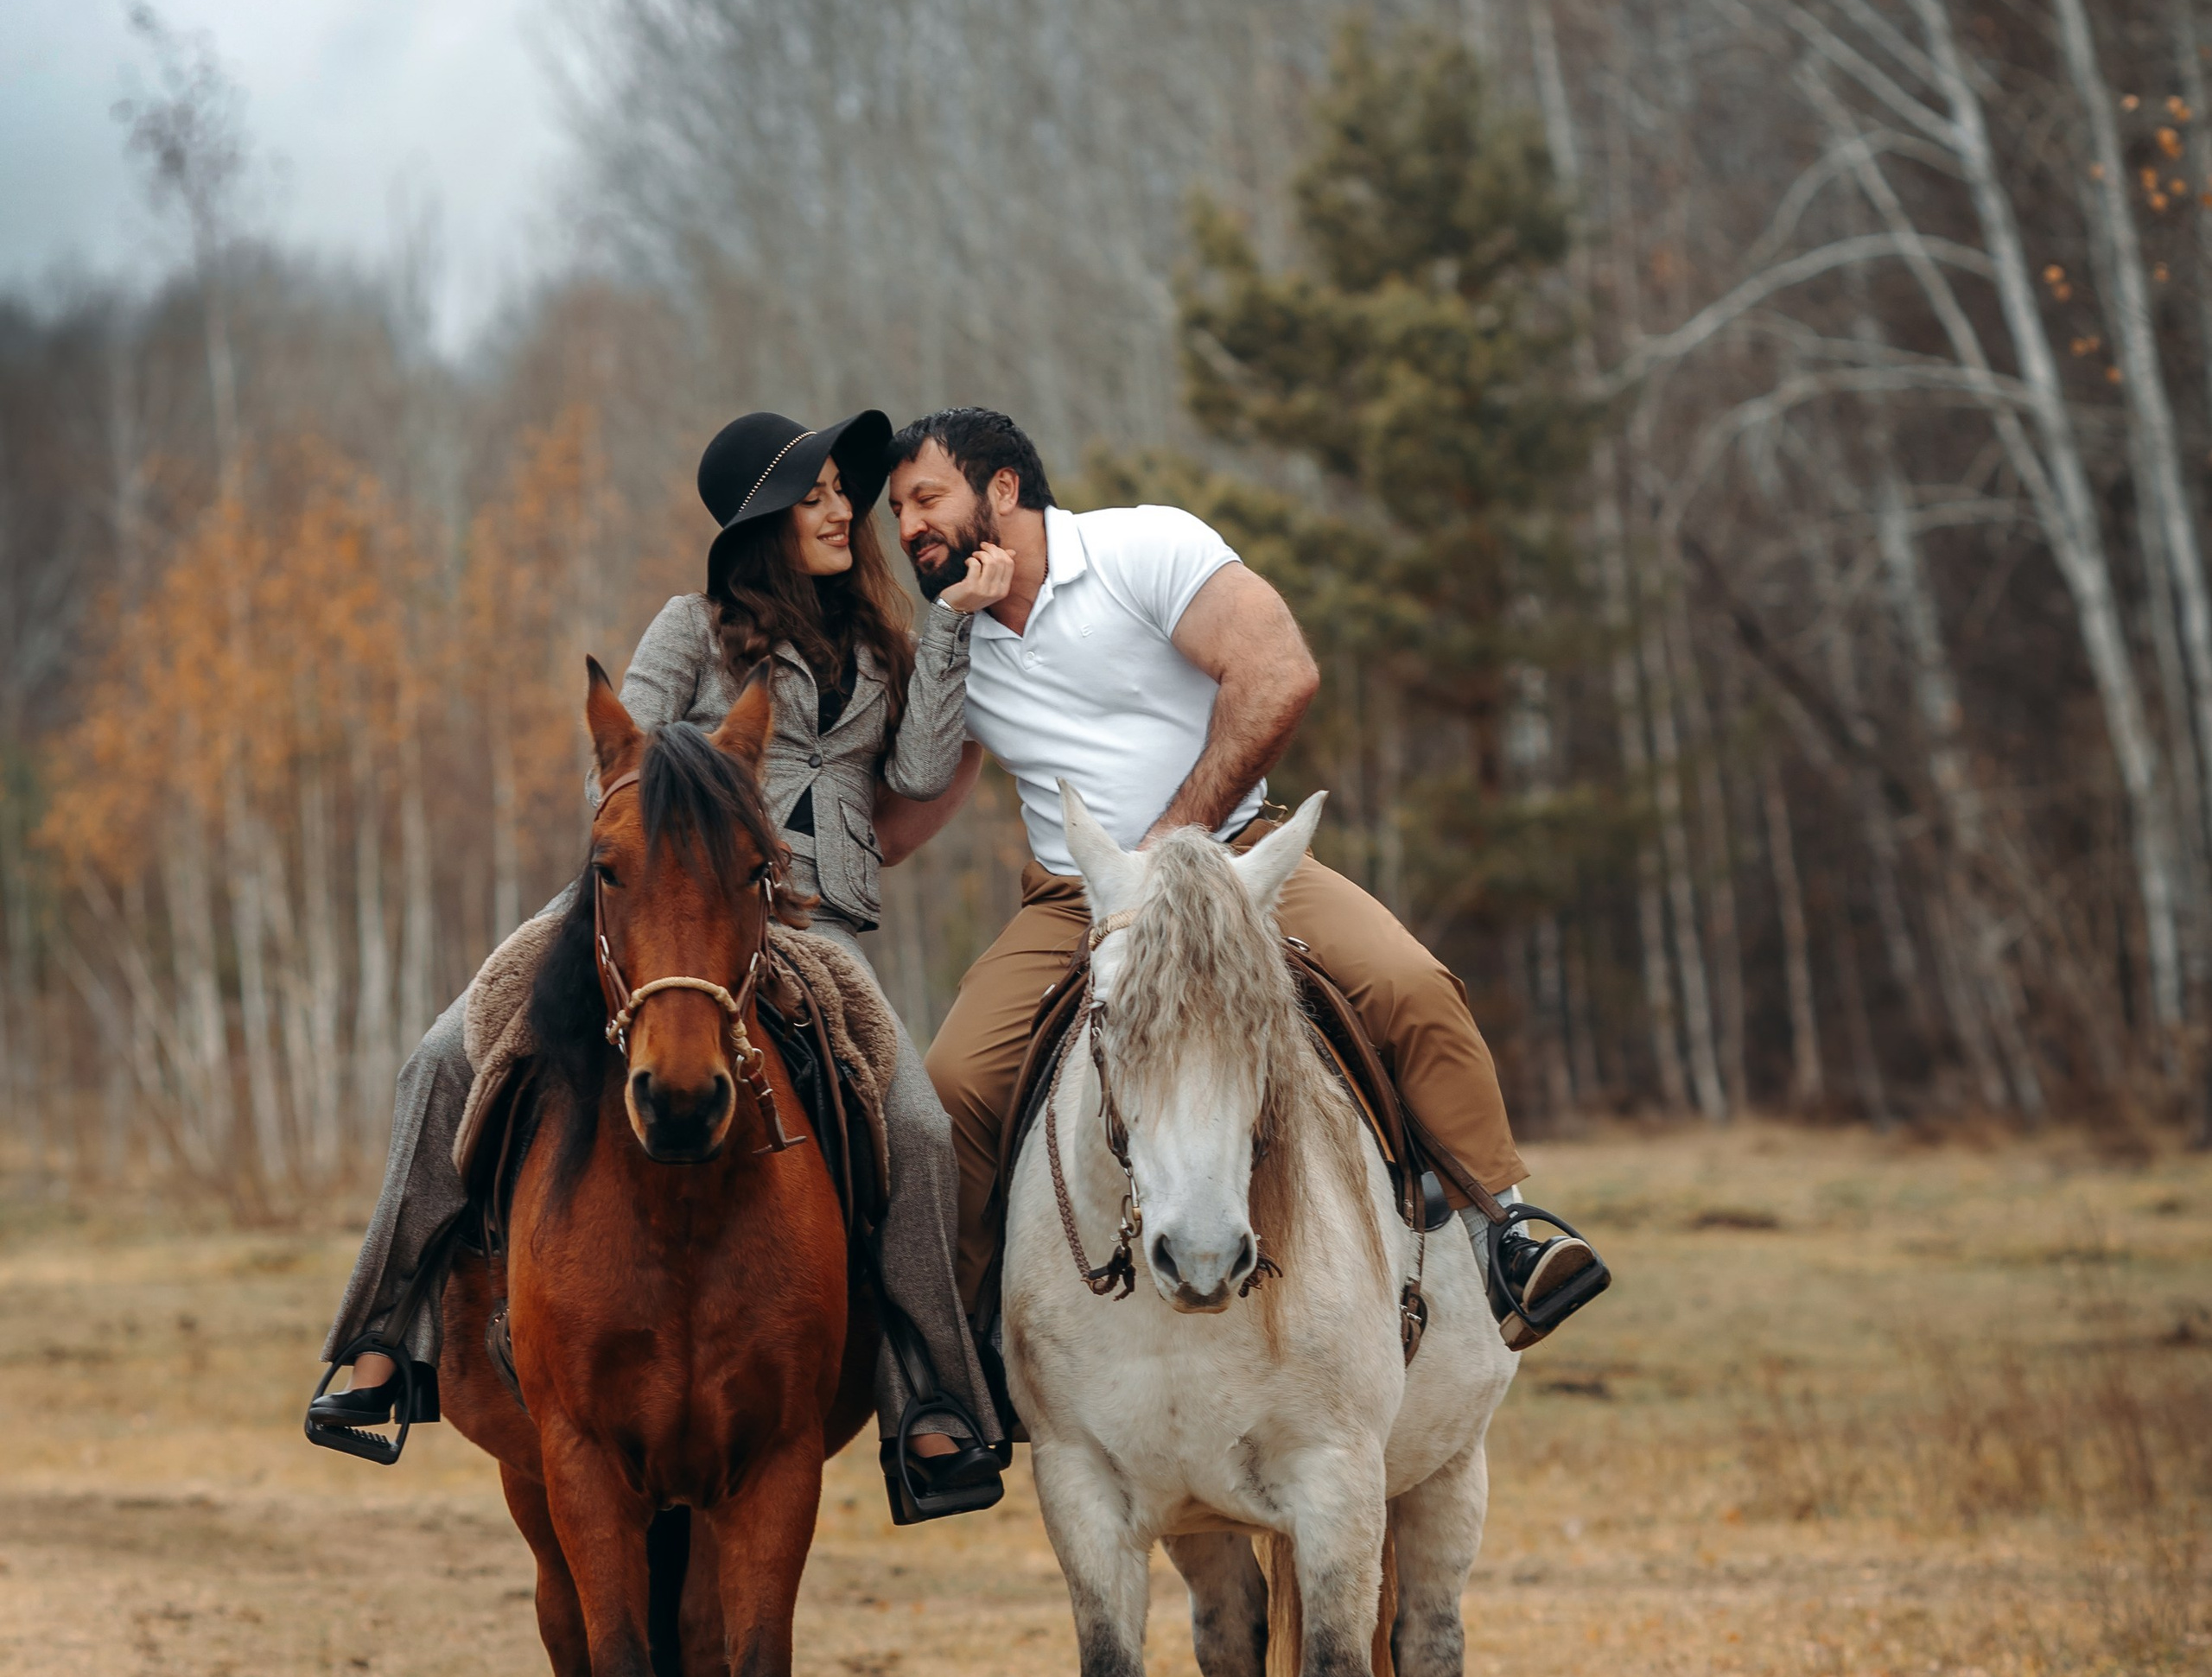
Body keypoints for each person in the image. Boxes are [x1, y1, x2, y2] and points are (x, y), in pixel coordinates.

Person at [306, 406, 1005, 1519]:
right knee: (441, 1056)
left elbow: (919, 773)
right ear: (762, 521)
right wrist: (713, 793)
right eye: (815, 495)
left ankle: (930, 1396)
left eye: (843, 491)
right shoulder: (693, 626)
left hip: (807, 924)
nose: (842, 510)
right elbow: (616, 763)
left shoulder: (887, 646)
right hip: (648, 902)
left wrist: (955, 624)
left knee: (916, 1126)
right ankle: (382, 1338)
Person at [881, 405, 1609, 1348]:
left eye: (926, 498)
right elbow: (910, 814)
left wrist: (1169, 840)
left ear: (1004, 488)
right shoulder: (955, 641)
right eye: (897, 511)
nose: (909, 527)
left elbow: (1277, 674)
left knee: (1409, 986)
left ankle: (1503, 1235)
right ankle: (967, 1355)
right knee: (950, 1088)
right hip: (1076, 900)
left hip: (1233, 859)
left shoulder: (1144, 548)